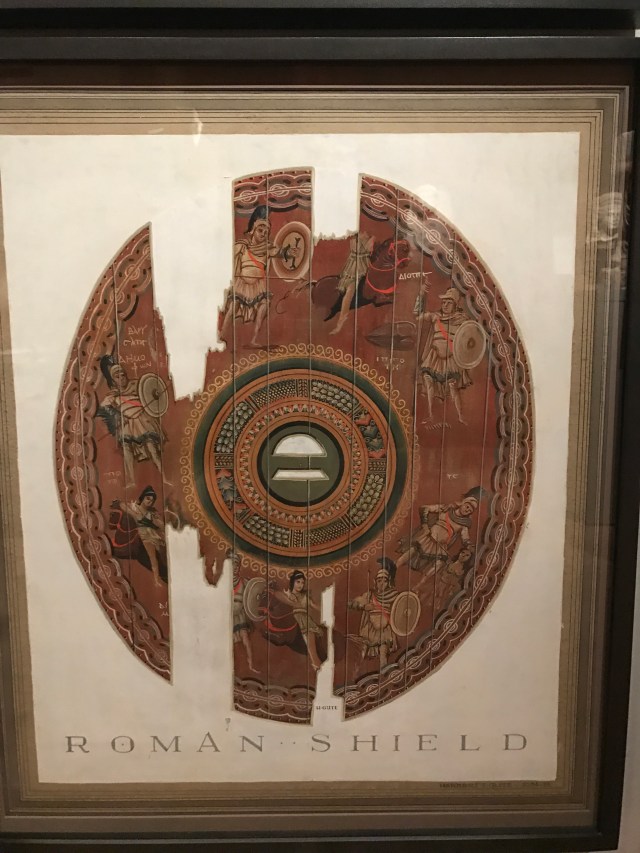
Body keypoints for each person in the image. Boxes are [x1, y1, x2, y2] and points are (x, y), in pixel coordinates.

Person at [220, 205, 300, 347]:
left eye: (266, 232)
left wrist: (290, 252)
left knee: (264, 305)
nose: (263, 234)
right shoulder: (242, 247)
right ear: (252, 231)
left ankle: (254, 339)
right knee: (233, 307)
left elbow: (281, 252)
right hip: (242, 285)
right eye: (260, 230)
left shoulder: (268, 248)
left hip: (258, 286)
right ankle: (222, 335)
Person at [97, 355, 166, 487]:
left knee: (152, 448)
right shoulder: (113, 395)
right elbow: (103, 407)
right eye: (118, 377)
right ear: (113, 380)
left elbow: (149, 391)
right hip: (127, 424)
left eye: (123, 375)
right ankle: (131, 481)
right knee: (127, 451)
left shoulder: (136, 386)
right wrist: (118, 416)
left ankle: (164, 477)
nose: (122, 378)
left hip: (142, 421)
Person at [396, 490, 480, 587]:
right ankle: (394, 568)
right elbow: (424, 508)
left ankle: (418, 586)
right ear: (462, 503)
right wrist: (425, 525)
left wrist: (469, 545)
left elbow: (465, 538)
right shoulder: (446, 509)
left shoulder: (464, 524)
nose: (467, 510)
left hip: (441, 546)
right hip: (429, 538)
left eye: (470, 511)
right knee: (412, 551)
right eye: (467, 507)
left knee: (439, 564)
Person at [418, 287, 472, 424]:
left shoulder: (462, 320)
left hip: (450, 357)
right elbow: (417, 315)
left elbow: (471, 338)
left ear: (455, 304)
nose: (445, 305)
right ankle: (430, 415)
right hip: (434, 355)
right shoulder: (435, 316)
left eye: (449, 302)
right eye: (443, 302)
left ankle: (460, 416)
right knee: (428, 381)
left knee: (452, 385)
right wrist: (421, 295)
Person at [348, 558, 399, 668]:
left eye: (384, 581)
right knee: (362, 652)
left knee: (383, 652)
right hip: (370, 628)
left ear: (388, 582)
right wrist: (363, 606)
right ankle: (356, 671)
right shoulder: (370, 595)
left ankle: (384, 674)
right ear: (375, 582)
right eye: (379, 581)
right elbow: (352, 603)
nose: (382, 583)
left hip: (385, 629)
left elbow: (401, 608)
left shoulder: (394, 595)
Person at [269, 570, 323, 671]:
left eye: (302, 583)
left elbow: (315, 606)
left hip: (305, 620)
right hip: (292, 618)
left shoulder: (305, 597)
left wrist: (327, 608)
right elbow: (277, 595)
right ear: (292, 582)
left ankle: (316, 662)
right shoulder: (287, 594)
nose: (300, 585)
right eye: (298, 582)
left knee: (311, 642)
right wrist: (289, 599)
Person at [229, 551, 258, 673]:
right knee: (230, 641)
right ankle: (231, 667)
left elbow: (252, 596)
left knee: (245, 639)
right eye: (232, 564)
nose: (235, 567)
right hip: (228, 616)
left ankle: (251, 665)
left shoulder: (244, 582)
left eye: (237, 564)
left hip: (240, 615)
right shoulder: (224, 582)